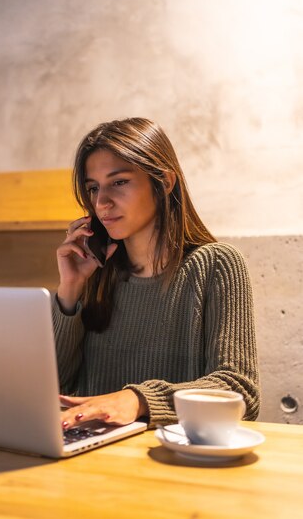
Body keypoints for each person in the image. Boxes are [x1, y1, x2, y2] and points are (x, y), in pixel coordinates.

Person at [53, 117, 260, 430]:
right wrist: (70, 289)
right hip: (91, 456)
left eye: (118, 182)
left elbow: (240, 391)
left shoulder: (217, 264)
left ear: (164, 182)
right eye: (93, 188)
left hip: (173, 460)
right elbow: (57, 389)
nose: (102, 202)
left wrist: (137, 400)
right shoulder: (97, 274)